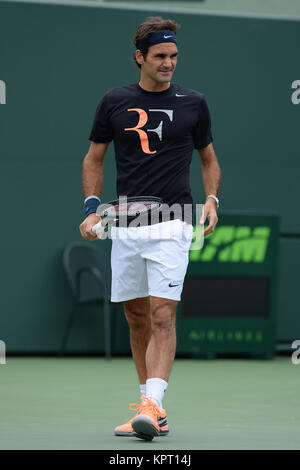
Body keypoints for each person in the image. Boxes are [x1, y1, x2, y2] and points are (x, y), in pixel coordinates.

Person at [79, 16, 221, 441]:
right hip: (125, 224)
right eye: (159, 56)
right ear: (140, 57)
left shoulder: (194, 103)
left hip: (174, 222)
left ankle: (154, 404)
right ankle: (149, 407)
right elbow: (93, 159)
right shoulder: (113, 101)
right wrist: (91, 209)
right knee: (137, 317)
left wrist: (211, 200)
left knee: (163, 313)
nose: (168, 63)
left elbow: (209, 160)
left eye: (173, 56)